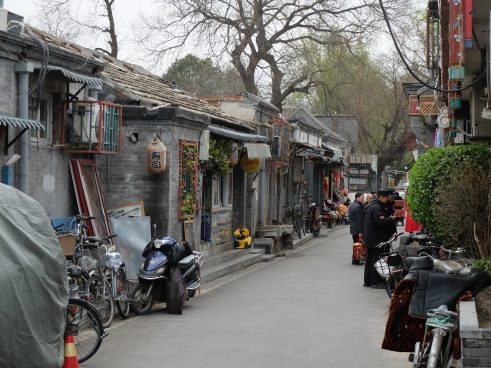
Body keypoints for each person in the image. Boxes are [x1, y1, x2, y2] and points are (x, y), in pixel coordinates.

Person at [363, 189, 397, 289]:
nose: (388, 199)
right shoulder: (377, 208)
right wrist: (390, 219)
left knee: (370, 259)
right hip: (377, 238)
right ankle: (375, 282)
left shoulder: (371, 205)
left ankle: (368, 281)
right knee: (376, 260)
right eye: (388, 197)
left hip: (370, 238)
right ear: (383, 197)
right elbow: (380, 222)